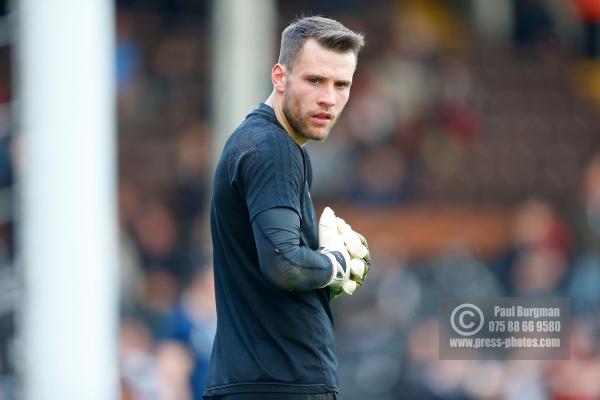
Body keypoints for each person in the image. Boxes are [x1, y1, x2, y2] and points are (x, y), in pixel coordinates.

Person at [204, 16, 369, 400]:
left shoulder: (258, 142)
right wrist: (335, 264)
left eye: (341, 84)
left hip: (256, 381)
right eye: (315, 80)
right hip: (281, 385)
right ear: (279, 77)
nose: (329, 97)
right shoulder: (273, 149)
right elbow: (285, 264)